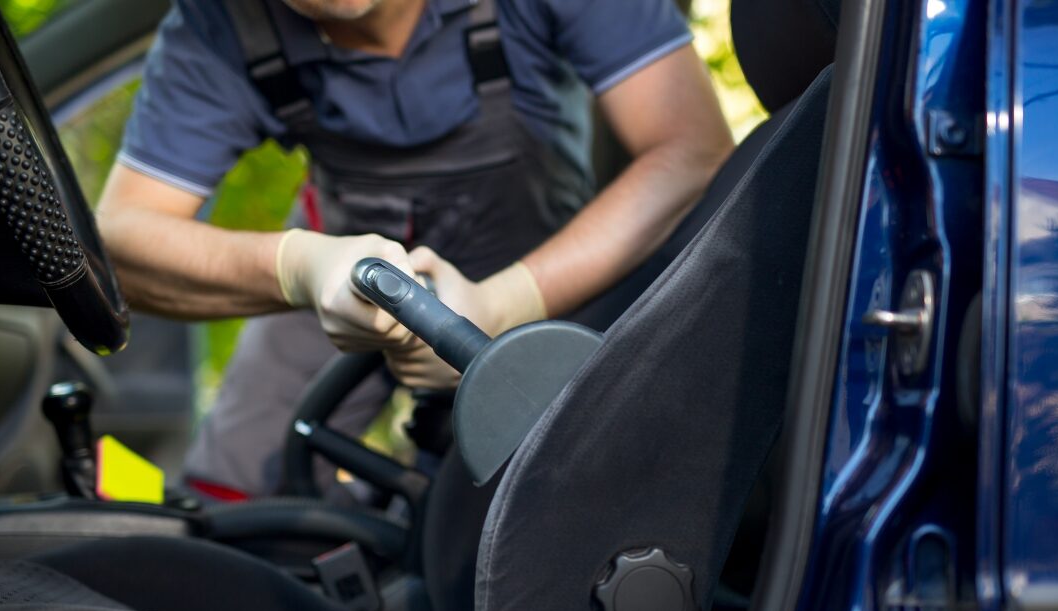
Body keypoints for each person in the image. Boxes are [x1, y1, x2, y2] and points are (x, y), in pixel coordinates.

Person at [96, 0, 733, 497]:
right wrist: (300, 269)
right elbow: (122, 241)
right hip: (340, 275)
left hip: (546, 266)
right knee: (232, 493)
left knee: (566, 494)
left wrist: (506, 305)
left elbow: (691, 150)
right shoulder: (218, 23)